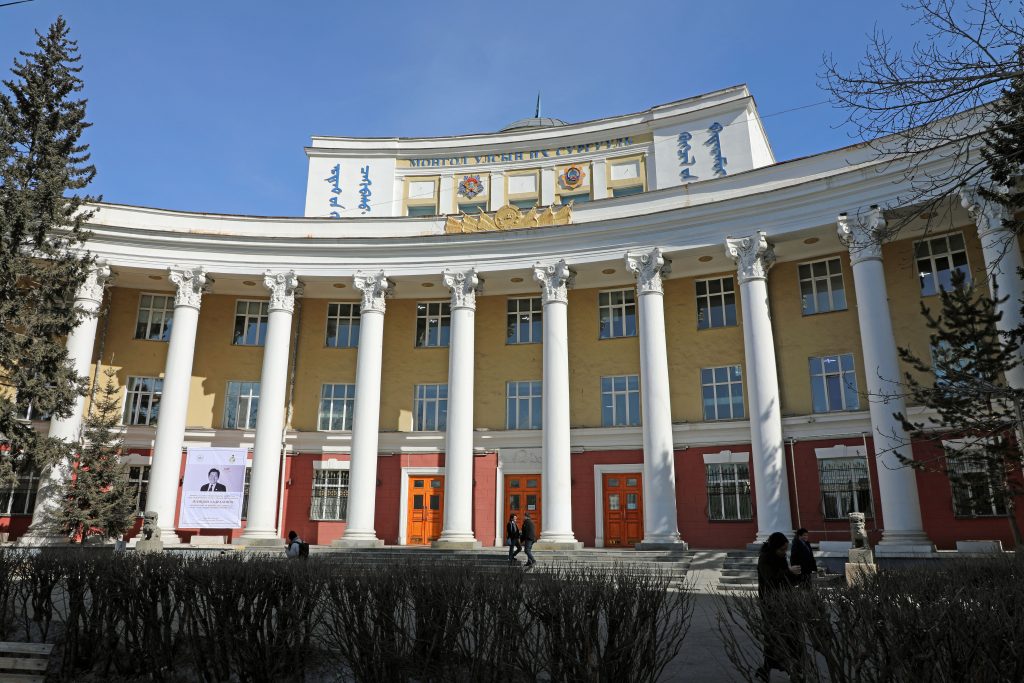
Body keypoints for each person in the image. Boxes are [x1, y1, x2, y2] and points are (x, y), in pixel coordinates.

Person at [755, 531, 802, 682]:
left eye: (785, 549)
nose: (784, 552)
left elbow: (784, 580)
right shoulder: (765, 559)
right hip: (770, 604)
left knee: (791, 637)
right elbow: (771, 579)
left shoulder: (780, 558)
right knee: (775, 637)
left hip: (785, 602)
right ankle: (768, 668)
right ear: (774, 547)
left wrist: (796, 576)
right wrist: (788, 571)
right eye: (782, 549)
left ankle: (793, 670)